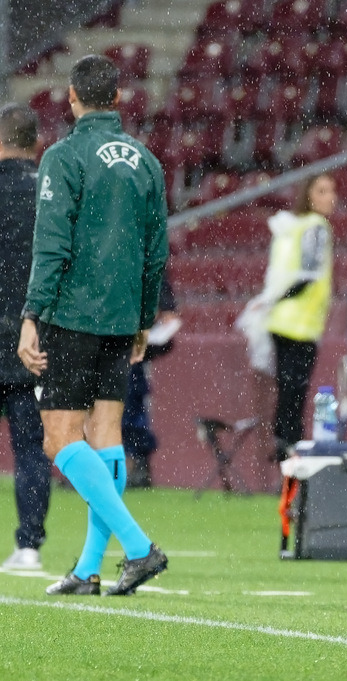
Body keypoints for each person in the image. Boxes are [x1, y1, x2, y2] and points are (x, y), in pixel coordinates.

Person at [17, 55, 168, 596]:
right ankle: (86, 569)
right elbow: (157, 251)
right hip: (122, 315)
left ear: (74, 97)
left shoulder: (64, 156)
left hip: (74, 313)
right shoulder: (147, 162)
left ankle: (138, 547)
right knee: (105, 437)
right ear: (120, 98)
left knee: (59, 442)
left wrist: (32, 314)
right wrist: (143, 320)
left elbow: (51, 242)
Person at [0, 103, 51, 572]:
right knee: (31, 447)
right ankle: (29, 544)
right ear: (36, 144)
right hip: (30, 337)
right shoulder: (49, 193)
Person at [263, 173, 336, 461]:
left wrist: (271, 300)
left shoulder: (292, 228)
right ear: (309, 195)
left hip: (280, 320)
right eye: (322, 190)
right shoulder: (317, 227)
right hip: (300, 323)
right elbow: (307, 273)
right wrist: (281, 296)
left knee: (286, 391)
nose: (331, 197)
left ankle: (283, 447)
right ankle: (291, 454)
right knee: (295, 393)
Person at [122, 278, 179, 488]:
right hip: (114, 321)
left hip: (126, 325)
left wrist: (164, 303)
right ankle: (128, 462)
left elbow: (155, 259)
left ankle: (135, 461)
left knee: (130, 398)